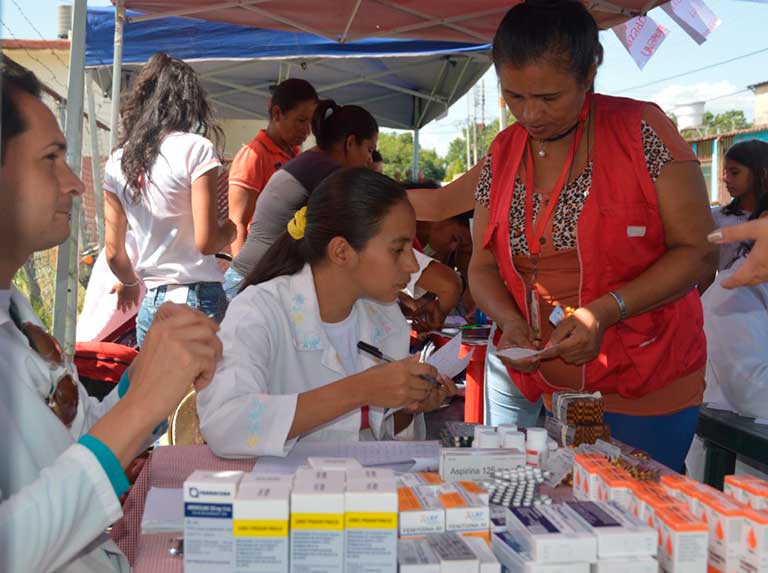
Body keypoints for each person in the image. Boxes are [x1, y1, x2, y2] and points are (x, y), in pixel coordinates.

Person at [468, 0, 716, 470]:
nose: (530, 114)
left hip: (647, 378)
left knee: (638, 500)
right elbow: (481, 264)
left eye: (549, 98)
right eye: (514, 96)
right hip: (554, 385)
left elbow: (699, 253)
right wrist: (509, 320)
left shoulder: (642, 130)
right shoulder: (502, 151)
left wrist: (605, 311)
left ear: (589, 75)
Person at [0, 66, 222, 572]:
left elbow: (72, 444)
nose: (74, 182)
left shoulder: (17, 318)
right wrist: (141, 407)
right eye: (50, 159)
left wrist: (139, 384)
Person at [197, 168, 457, 457]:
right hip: (278, 485)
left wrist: (409, 407)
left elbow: (373, 435)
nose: (413, 265)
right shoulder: (259, 311)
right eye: (398, 250)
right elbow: (226, 425)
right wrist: (360, 390)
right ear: (341, 251)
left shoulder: (386, 318)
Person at [103, 52, 236, 347]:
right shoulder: (197, 149)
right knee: (207, 379)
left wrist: (128, 282)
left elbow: (113, 253)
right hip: (198, 299)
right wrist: (231, 230)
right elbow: (207, 242)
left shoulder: (117, 161)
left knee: (155, 377)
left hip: (153, 302)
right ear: (190, 102)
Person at [224, 99, 379, 297]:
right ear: (350, 143)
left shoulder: (312, 161)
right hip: (252, 285)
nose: (369, 160)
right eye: (369, 150)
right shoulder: (327, 171)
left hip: (250, 280)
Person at [227, 79, 318, 257]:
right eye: (301, 120)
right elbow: (237, 222)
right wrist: (242, 271)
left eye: (310, 122)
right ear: (277, 114)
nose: (307, 130)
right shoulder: (254, 156)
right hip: (259, 262)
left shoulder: (296, 156)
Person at [711, 140, 768, 270]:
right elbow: (707, 269)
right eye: (725, 172)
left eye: (734, 172)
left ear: (761, 172)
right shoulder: (716, 218)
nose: (725, 178)